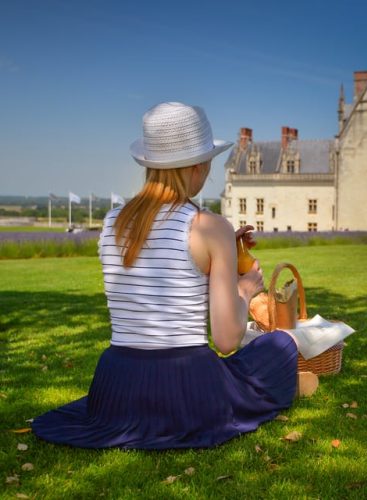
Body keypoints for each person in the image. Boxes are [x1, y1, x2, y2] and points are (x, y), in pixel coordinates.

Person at [32, 102, 318, 450]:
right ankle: (292, 381)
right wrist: (243, 289)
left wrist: (227, 250)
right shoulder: (208, 226)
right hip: (184, 385)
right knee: (279, 345)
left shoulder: (111, 223)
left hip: (117, 385)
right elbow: (227, 341)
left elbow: (162, 266)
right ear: (197, 167)